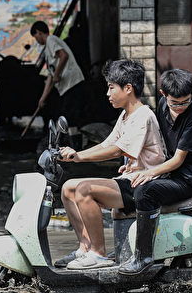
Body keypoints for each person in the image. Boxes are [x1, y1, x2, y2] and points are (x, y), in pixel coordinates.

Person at [56, 59, 166, 270]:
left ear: (128, 88)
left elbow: (118, 150)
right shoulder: (125, 115)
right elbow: (108, 143)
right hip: (130, 179)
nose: (108, 93)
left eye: (111, 87)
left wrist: (79, 158)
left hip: (143, 185)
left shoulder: (143, 115)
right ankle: (85, 248)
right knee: (68, 187)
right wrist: (75, 154)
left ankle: (98, 253)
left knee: (84, 190)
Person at [118, 68, 192, 275]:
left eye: (186, 101)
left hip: (186, 180)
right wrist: (134, 162)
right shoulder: (161, 106)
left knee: (145, 191)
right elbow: (153, 141)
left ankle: (143, 257)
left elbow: (178, 160)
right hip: (166, 172)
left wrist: (150, 173)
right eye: (175, 103)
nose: (180, 107)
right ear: (163, 94)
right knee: (123, 186)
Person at [30, 21, 86, 142]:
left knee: (68, 117)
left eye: (35, 37)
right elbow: (50, 77)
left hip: (73, 82)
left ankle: (75, 148)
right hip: (66, 87)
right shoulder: (47, 50)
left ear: (39, 33)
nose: (36, 40)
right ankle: (72, 146)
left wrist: (56, 75)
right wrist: (42, 98)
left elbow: (64, 55)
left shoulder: (51, 40)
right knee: (66, 116)